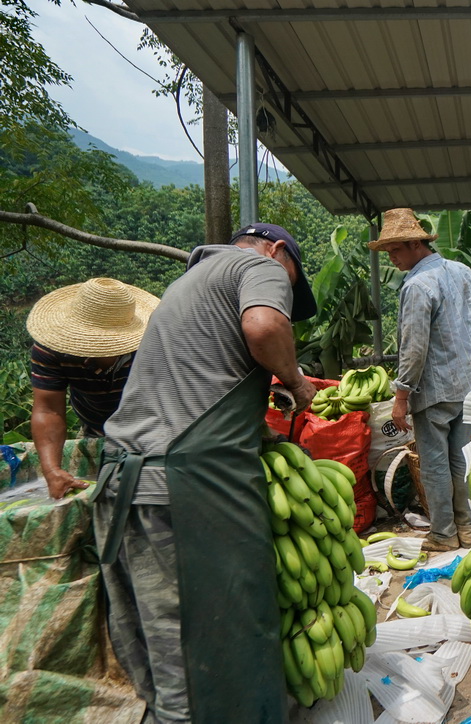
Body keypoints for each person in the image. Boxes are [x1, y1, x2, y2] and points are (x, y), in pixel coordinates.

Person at [93, 222, 318, 723]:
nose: (287, 294)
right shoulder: (258, 265)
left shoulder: (185, 286)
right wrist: (296, 381)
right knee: (194, 657)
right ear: (280, 251)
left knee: (162, 647)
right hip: (182, 486)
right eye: (293, 281)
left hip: (127, 478)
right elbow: (263, 327)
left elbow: (194, 384)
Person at [369, 208, 471, 552]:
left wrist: (401, 396)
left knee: (435, 464)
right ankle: (467, 528)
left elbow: (413, 348)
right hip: (469, 383)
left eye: (396, 250)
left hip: (434, 387)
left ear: (415, 243)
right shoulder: (460, 271)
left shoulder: (417, 285)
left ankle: (443, 533)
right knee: (461, 458)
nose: (392, 258)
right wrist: (466, 325)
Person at [25, 278, 159, 499]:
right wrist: (52, 470)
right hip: (95, 428)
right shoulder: (52, 347)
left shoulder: (155, 343)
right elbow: (49, 410)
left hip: (149, 431)